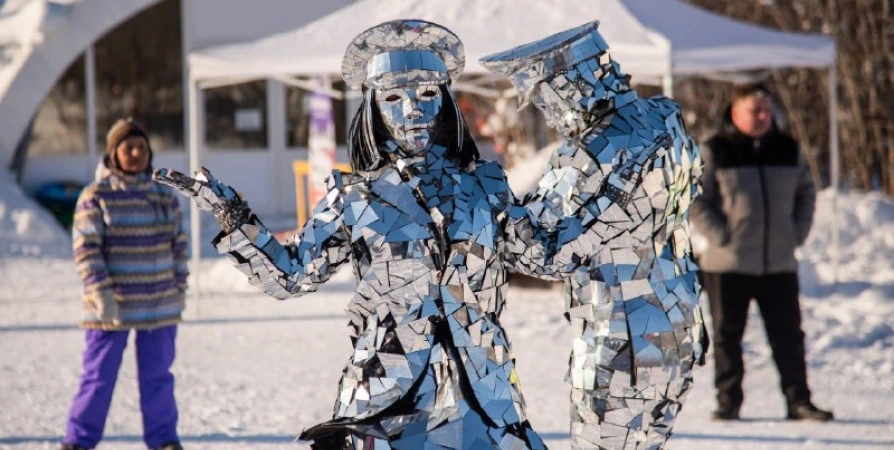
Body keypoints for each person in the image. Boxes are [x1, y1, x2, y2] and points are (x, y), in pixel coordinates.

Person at [481, 22, 706, 450]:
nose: (545, 112)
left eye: (544, 98)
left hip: (620, 341)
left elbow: (549, 256)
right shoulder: (665, 117)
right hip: (681, 325)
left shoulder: (590, 149)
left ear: (572, 85)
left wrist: (490, 204)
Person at [690, 83, 833, 421]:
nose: (763, 116)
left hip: (779, 262)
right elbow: (694, 198)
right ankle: (729, 402)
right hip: (728, 264)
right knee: (727, 337)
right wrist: (722, 236)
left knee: (789, 337)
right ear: (735, 113)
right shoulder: (716, 150)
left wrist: (796, 233)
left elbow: (807, 193)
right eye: (754, 110)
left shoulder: (787, 149)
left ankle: (799, 401)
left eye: (766, 110)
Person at [61, 118, 187, 450]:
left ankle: (163, 440)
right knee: (98, 378)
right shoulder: (95, 195)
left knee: (158, 378)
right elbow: (85, 247)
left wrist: (179, 286)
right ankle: (78, 441)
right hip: (110, 307)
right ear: (112, 153)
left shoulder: (164, 195)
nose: (135, 153)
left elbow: (178, 245)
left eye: (142, 147)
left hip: (158, 305)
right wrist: (99, 291)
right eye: (128, 147)